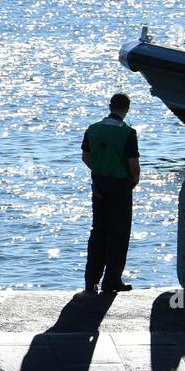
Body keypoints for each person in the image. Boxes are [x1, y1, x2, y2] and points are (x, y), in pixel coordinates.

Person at [80, 92, 140, 295]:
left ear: (109, 106)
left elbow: (85, 157)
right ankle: (112, 280)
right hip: (120, 185)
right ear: (127, 109)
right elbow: (133, 165)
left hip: (99, 183)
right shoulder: (128, 133)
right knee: (118, 233)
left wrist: (98, 169)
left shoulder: (93, 129)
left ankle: (91, 280)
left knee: (98, 230)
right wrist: (133, 180)